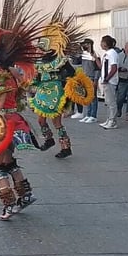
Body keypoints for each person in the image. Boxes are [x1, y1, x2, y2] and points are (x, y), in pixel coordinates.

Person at [0, 5, 47, 221]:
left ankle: (9, 204)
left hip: (2, 124)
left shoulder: (0, 78)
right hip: (14, 121)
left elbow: (0, 104)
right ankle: (25, 195)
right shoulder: (11, 75)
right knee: (9, 161)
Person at [30, 11, 93, 158]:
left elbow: (72, 75)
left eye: (40, 48)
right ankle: (49, 139)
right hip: (42, 92)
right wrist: (31, 85)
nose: (38, 50)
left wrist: (72, 88)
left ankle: (66, 147)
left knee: (56, 121)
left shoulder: (60, 61)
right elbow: (37, 78)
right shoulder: (39, 62)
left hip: (55, 92)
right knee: (40, 120)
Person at [99, 36, 120, 129]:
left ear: (106, 43)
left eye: (102, 42)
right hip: (106, 80)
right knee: (107, 102)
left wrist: (107, 78)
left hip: (110, 81)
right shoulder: (107, 54)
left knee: (111, 102)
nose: (101, 44)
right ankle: (109, 119)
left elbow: (114, 67)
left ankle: (113, 121)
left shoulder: (112, 53)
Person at [78, 39, 101, 123]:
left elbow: (97, 69)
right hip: (85, 78)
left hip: (91, 78)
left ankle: (93, 115)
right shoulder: (83, 54)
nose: (83, 46)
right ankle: (88, 114)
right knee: (87, 97)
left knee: (93, 97)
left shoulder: (94, 54)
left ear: (90, 44)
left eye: (85, 44)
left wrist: (96, 80)